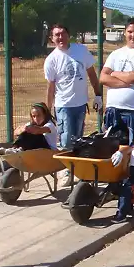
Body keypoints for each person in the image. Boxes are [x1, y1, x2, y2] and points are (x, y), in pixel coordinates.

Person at [43, 23, 102, 186]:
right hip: (64, 105)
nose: (60, 37)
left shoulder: (81, 51)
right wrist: (48, 110)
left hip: (81, 104)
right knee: (66, 139)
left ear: (69, 35)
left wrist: (98, 95)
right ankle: (66, 171)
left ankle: (78, 169)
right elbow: (51, 86)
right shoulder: (51, 60)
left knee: (78, 139)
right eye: (56, 35)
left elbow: (91, 73)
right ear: (52, 39)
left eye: (63, 33)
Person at [99, 17, 134, 146]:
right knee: (111, 150)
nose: (132, 35)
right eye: (129, 32)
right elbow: (102, 78)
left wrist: (114, 73)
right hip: (114, 111)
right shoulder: (115, 54)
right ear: (125, 32)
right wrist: (127, 81)